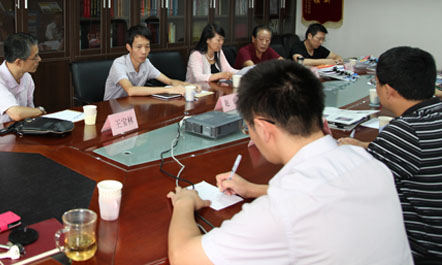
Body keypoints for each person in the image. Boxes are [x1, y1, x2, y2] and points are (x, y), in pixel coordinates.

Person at [166, 60, 412, 265]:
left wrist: (185, 203)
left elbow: (183, 257)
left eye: (247, 128)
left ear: (264, 129)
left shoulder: (283, 208)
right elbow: (321, 194)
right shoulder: (367, 162)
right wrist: (254, 190)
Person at [338, 46, 442, 264]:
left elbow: (350, 188)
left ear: (388, 91)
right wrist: (366, 146)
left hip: (424, 252)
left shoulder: (404, 133)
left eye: (376, 82)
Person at [0, 33, 46, 129]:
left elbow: (30, 111)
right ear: (19, 62)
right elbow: (16, 114)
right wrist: (40, 110)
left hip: (17, 130)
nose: (39, 59)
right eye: (35, 57)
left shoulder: (27, 77)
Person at [104, 25, 193, 100]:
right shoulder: (119, 64)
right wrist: (168, 90)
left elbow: (169, 81)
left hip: (133, 106)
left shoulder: (146, 63)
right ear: (129, 47)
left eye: (147, 47)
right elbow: (130, 90)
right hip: (112, 108)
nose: (144, 52)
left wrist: (190, 86)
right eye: (139, 47)